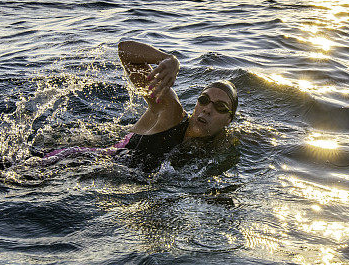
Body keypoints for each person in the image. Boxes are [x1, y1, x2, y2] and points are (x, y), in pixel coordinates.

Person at [40, 40, 238, 171]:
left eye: (220, 107)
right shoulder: (171, 111)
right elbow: (125, 52)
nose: (207, 109)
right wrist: (169, 60)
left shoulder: (220, 143)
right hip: (74, 161)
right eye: (203, 100)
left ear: (229, 119)